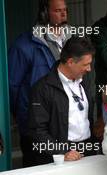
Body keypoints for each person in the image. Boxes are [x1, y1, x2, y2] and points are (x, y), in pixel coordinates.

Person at [8, 0, 71, 167]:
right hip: (36, 126)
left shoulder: (71, 41)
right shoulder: (24, 45)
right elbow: (12, 86)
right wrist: (23, 114)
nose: (64, 14)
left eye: (65, 10)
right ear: (44, 13)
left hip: (65, 123)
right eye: (58, 10)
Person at [27, 37, 97, 165]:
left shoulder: (85, 81)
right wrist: (62, 152)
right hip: (61, 156)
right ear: (70, 62)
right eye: (85, 65)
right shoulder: (42, 88)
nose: (89, 69)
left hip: (88, 151)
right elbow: (37, 130)